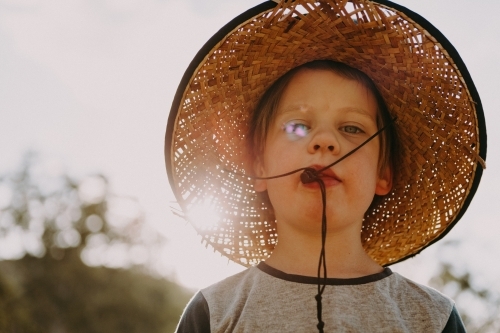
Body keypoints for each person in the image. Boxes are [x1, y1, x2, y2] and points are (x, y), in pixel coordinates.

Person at [165, 1, 487, 332]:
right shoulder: (214, 311)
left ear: (383, 174)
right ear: (259, 167)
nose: (324, 142)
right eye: (296, 127)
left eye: (352, 128)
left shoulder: (431, 318)